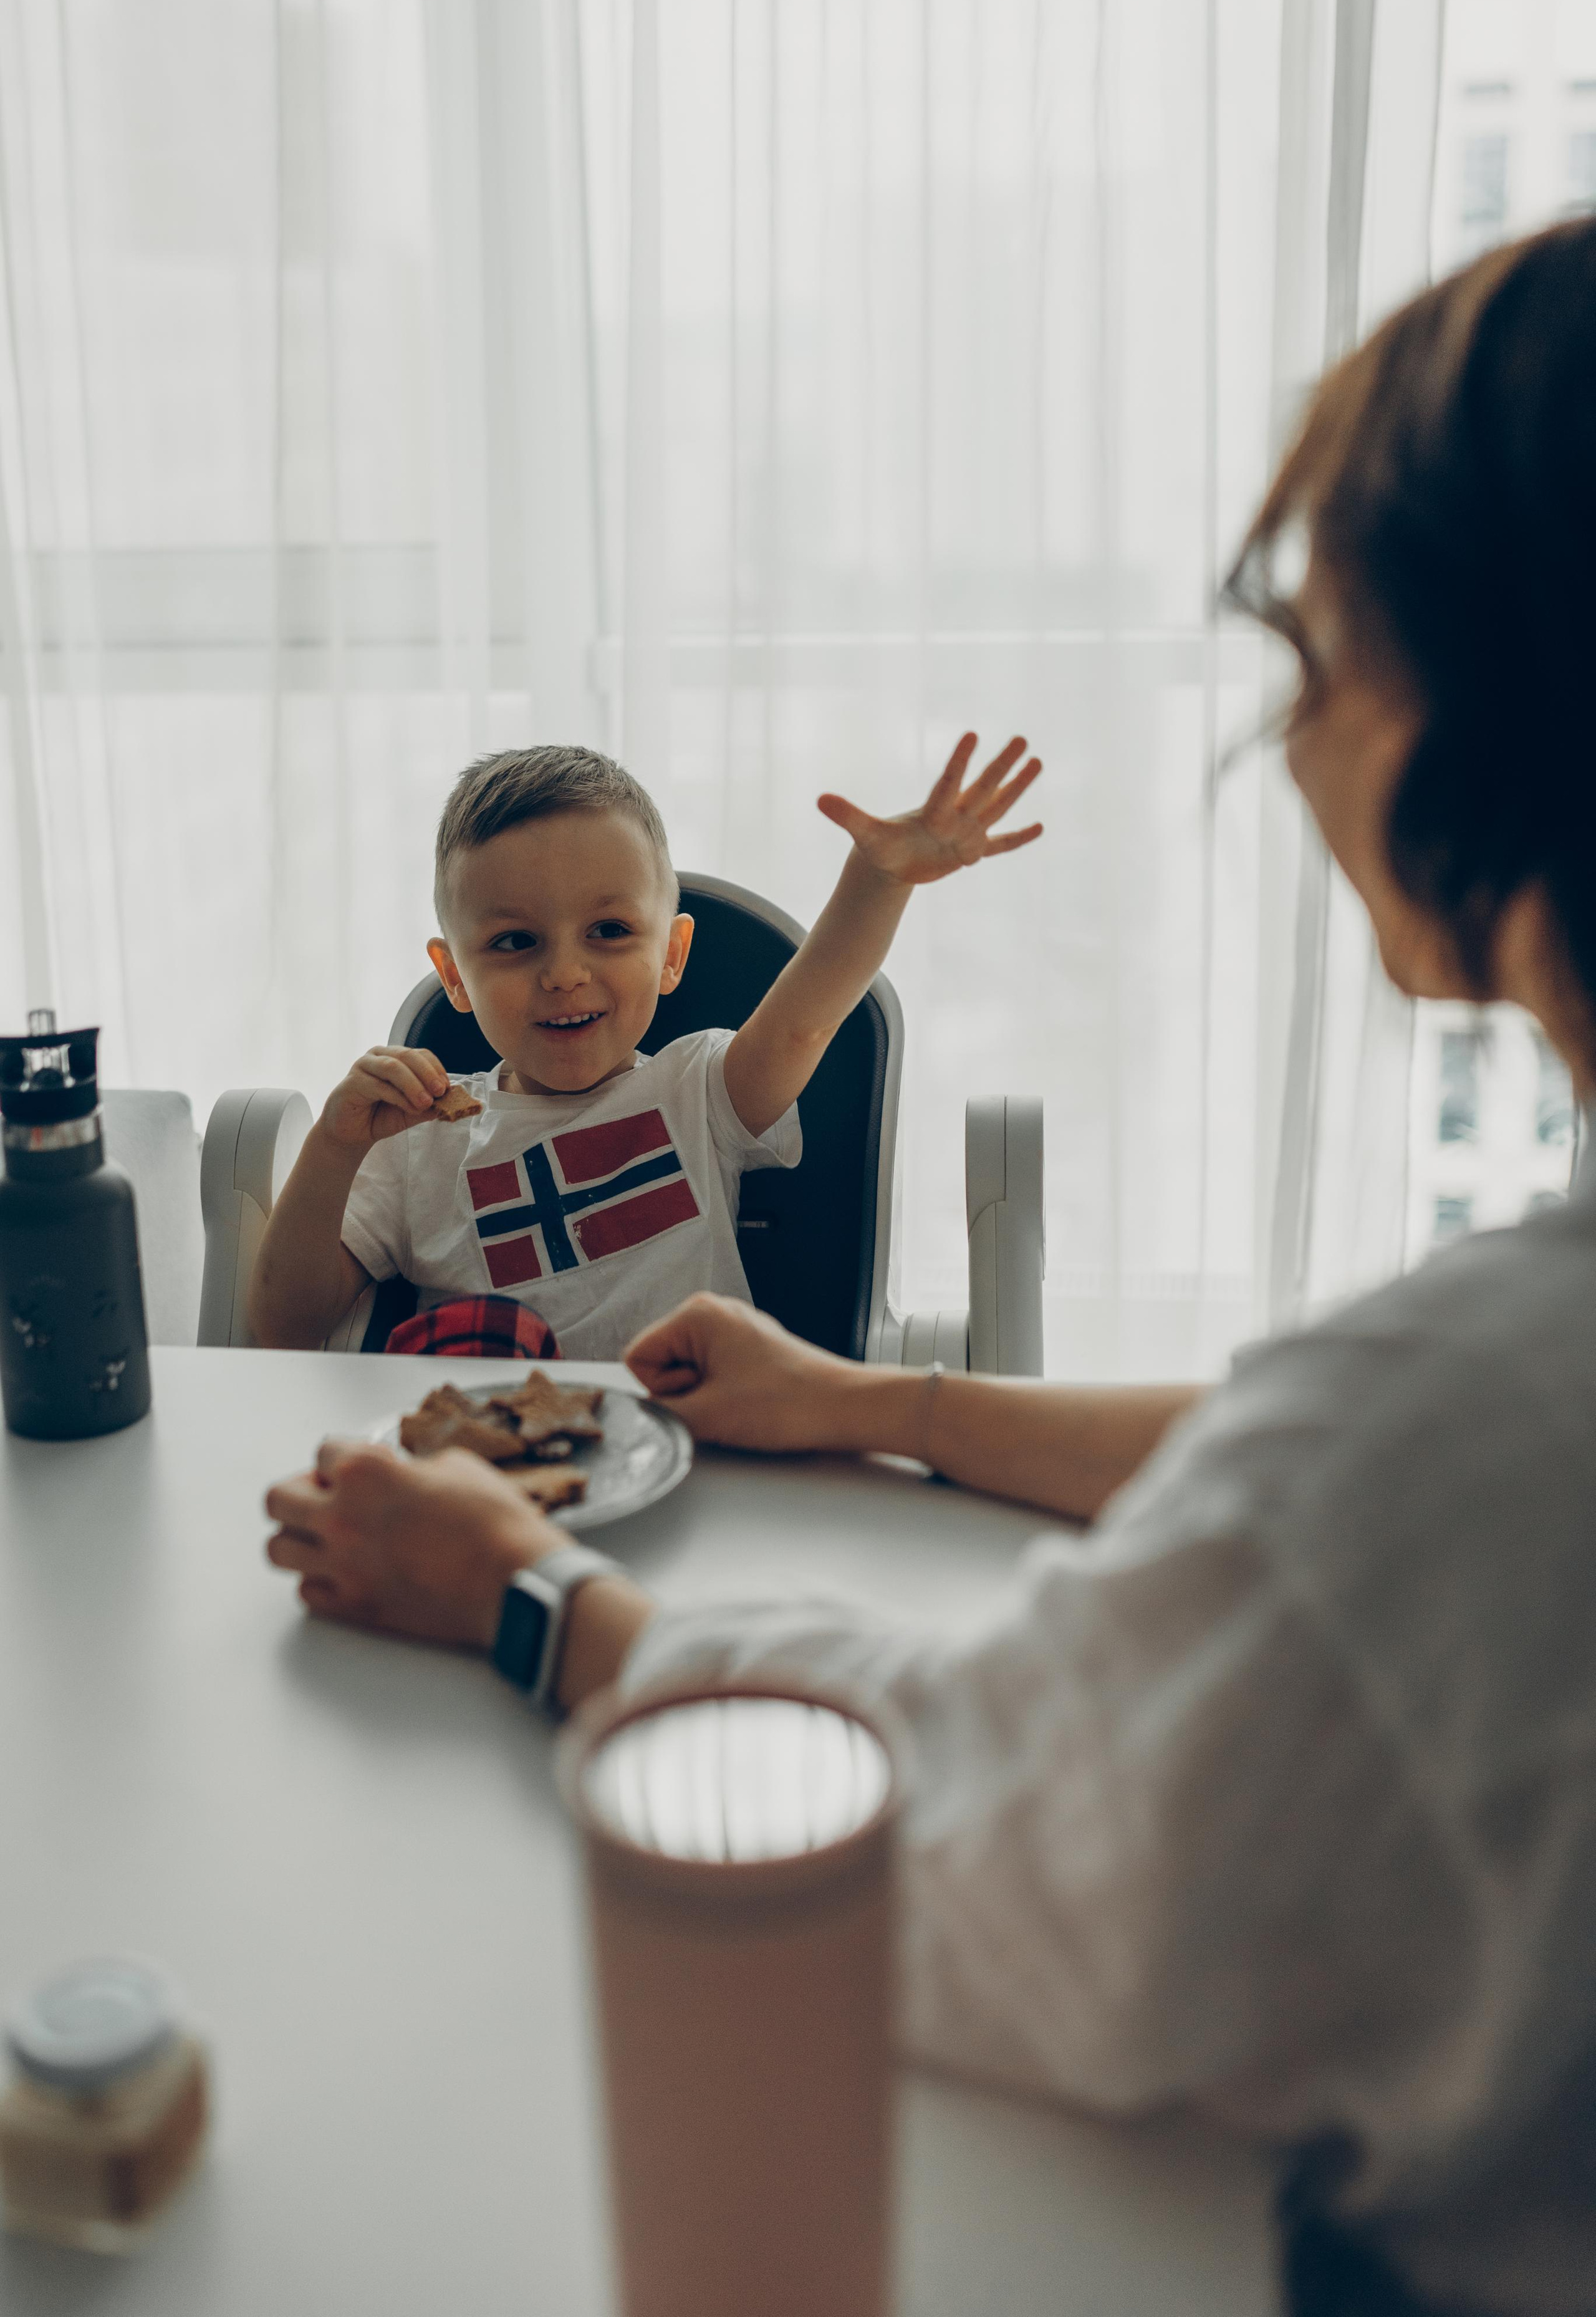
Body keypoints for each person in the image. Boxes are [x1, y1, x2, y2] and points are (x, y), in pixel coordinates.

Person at [264, 216, 1596, 2316]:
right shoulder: (1455, 1421)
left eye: (1307, 649)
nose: (1291, 730)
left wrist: (530, 1606)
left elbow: (1000, 1831)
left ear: (1469, 709)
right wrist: (886, 1405)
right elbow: (1327, 1471)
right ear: (454, 973)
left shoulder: (1461, 1430)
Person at [248, 735, 1040, 1359]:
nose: (564, 972)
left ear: (671, 955)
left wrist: (879, 879)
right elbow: (282, 1329)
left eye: (609, 932)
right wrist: (333, 1145)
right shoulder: (415, 1141)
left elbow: (810, 1013)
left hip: (698, 1449)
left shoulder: (698, 1092)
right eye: (516, 941)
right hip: (487, 1481)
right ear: (454, 976)